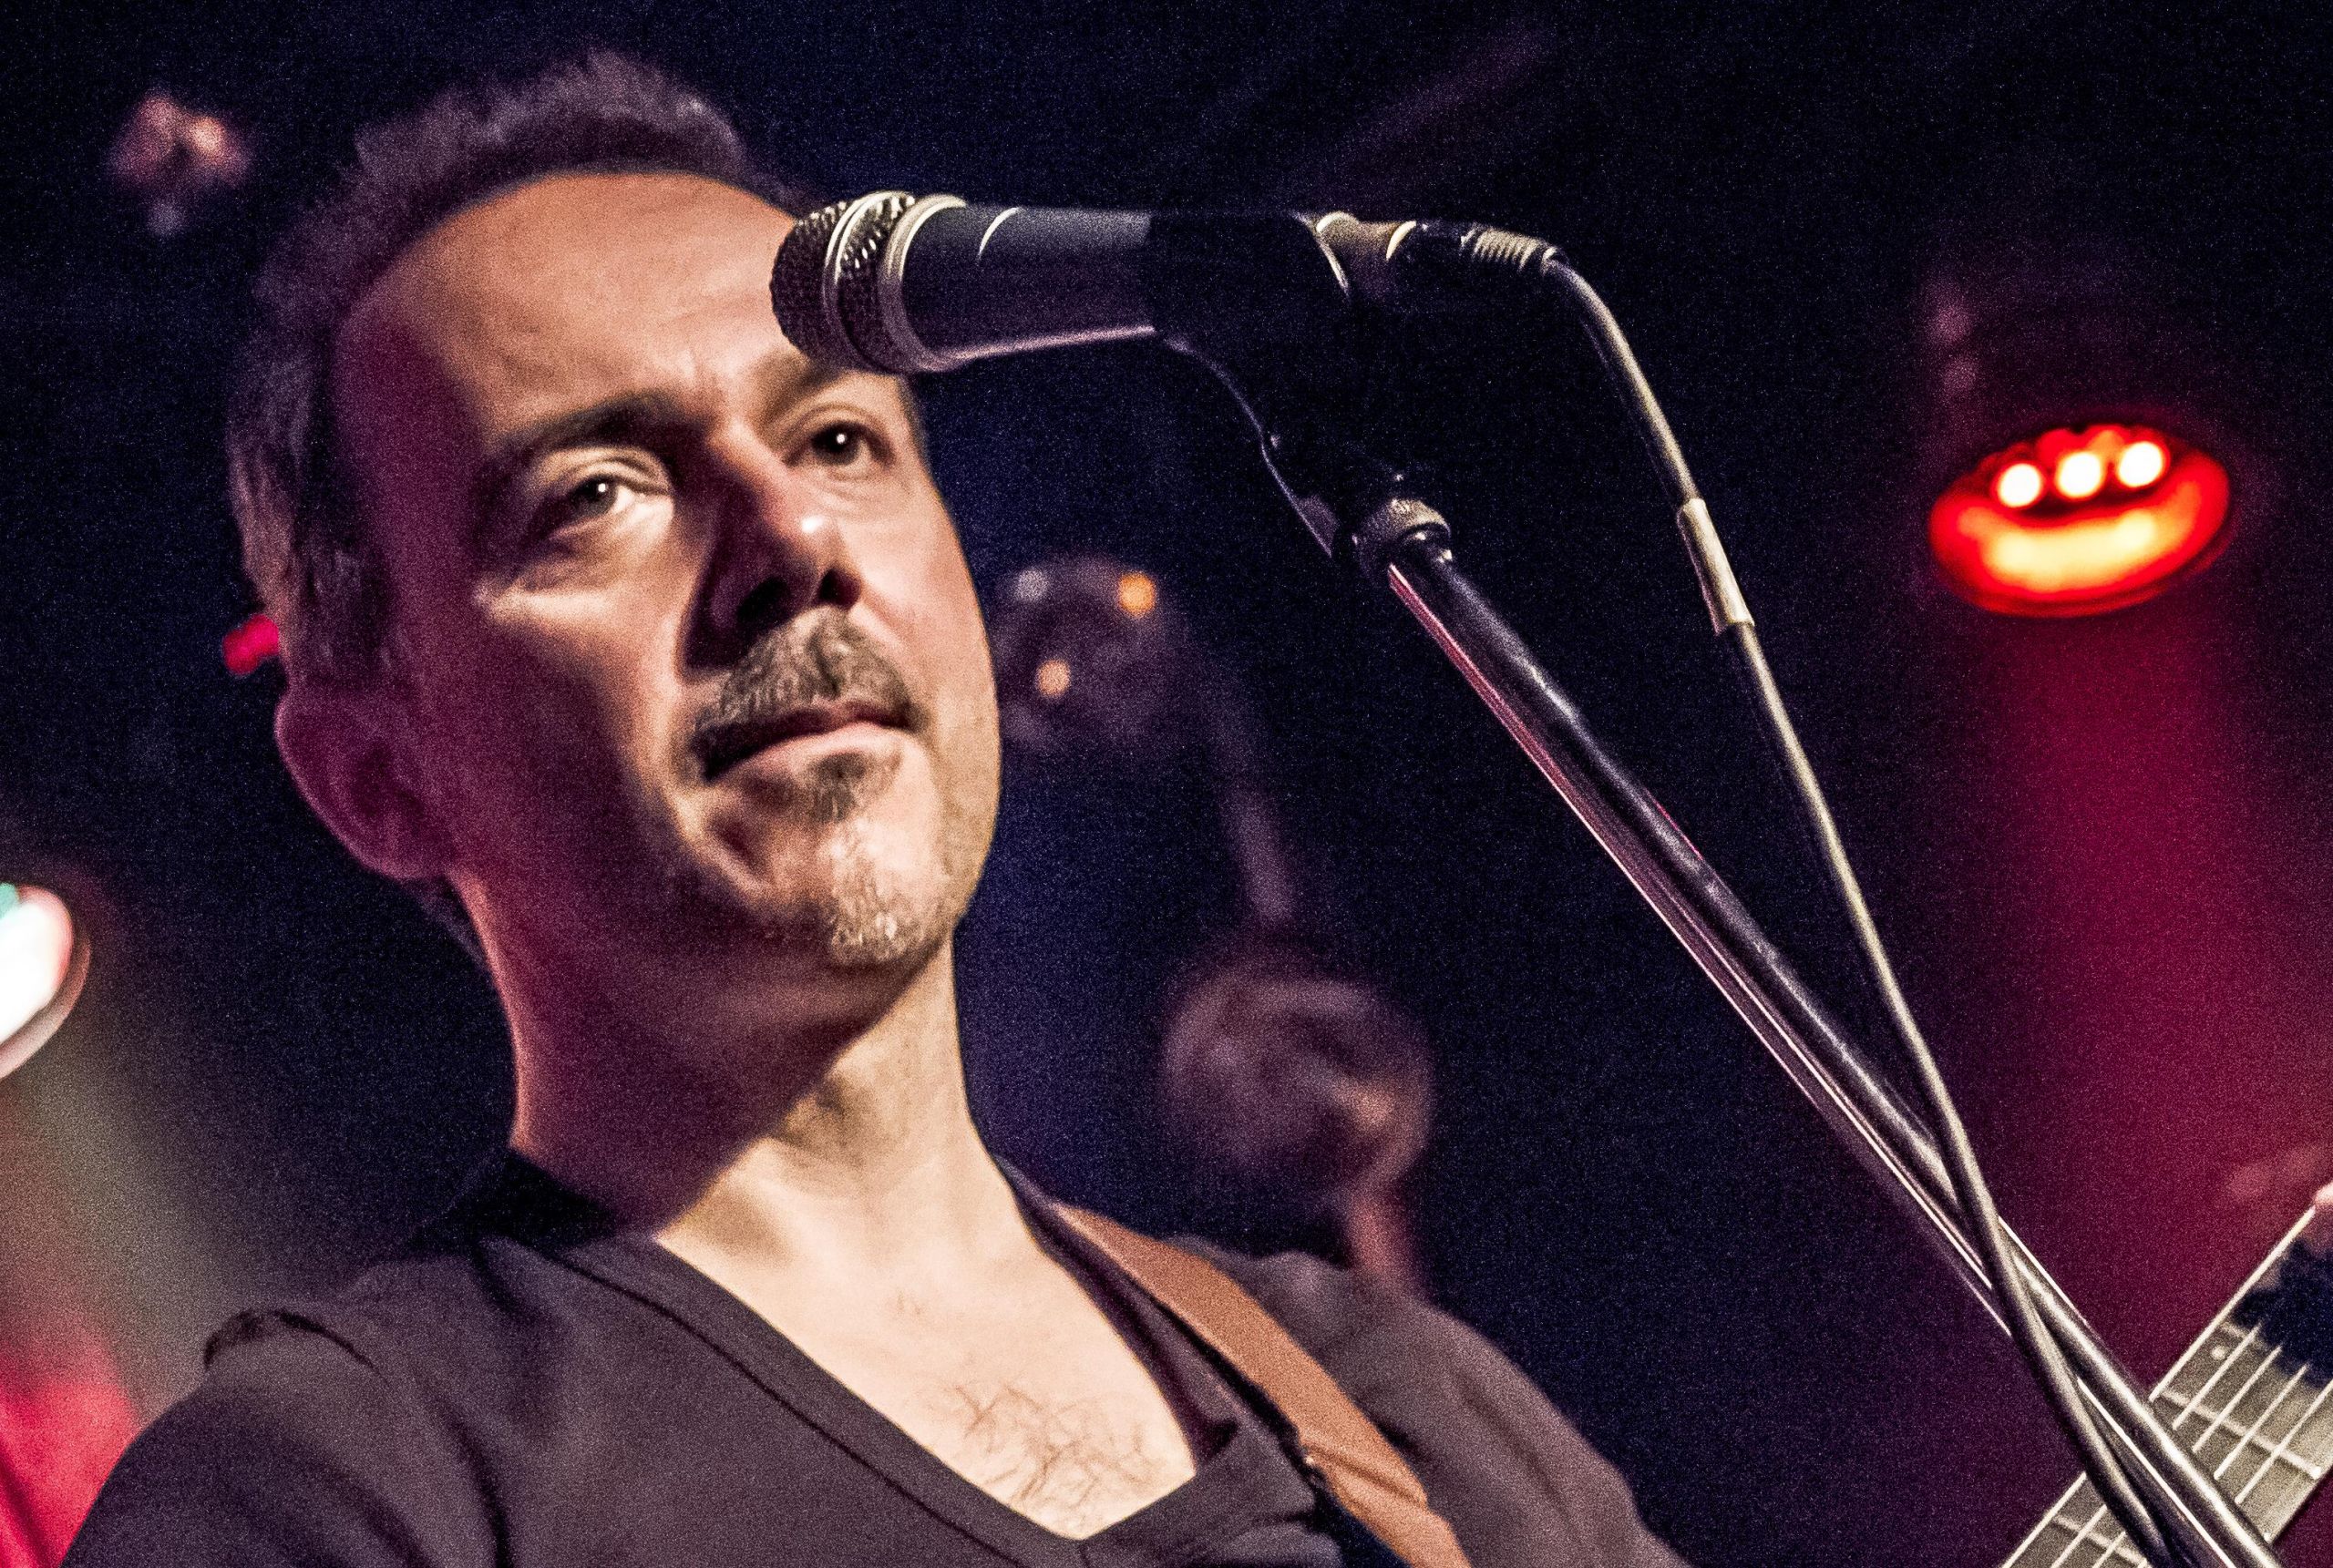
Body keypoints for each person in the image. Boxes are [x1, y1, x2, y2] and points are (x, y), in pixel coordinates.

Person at [65, 53, 1687, 1568]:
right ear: (379, 777)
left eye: (837, 437)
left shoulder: (1405, 1406)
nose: (791, 538)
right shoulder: (341, 1491)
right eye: (597, 494)